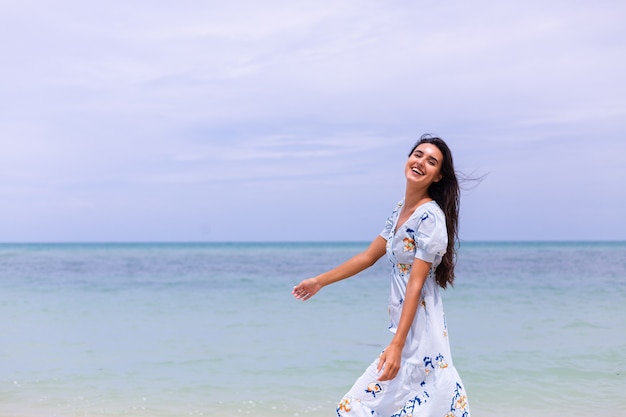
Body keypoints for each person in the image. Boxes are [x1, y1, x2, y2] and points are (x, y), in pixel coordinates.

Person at [292, 134, 470, 417]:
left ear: (438, 177)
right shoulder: (401, 210)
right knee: (371, 406)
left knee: (363, 405)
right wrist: (319, 281)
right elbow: (368, 256)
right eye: (418, 154)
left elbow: (415, 284)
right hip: (405, 330)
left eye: (431, 161)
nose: (421, 162)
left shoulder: (430, 218)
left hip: (419, 333)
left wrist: (397, 345)